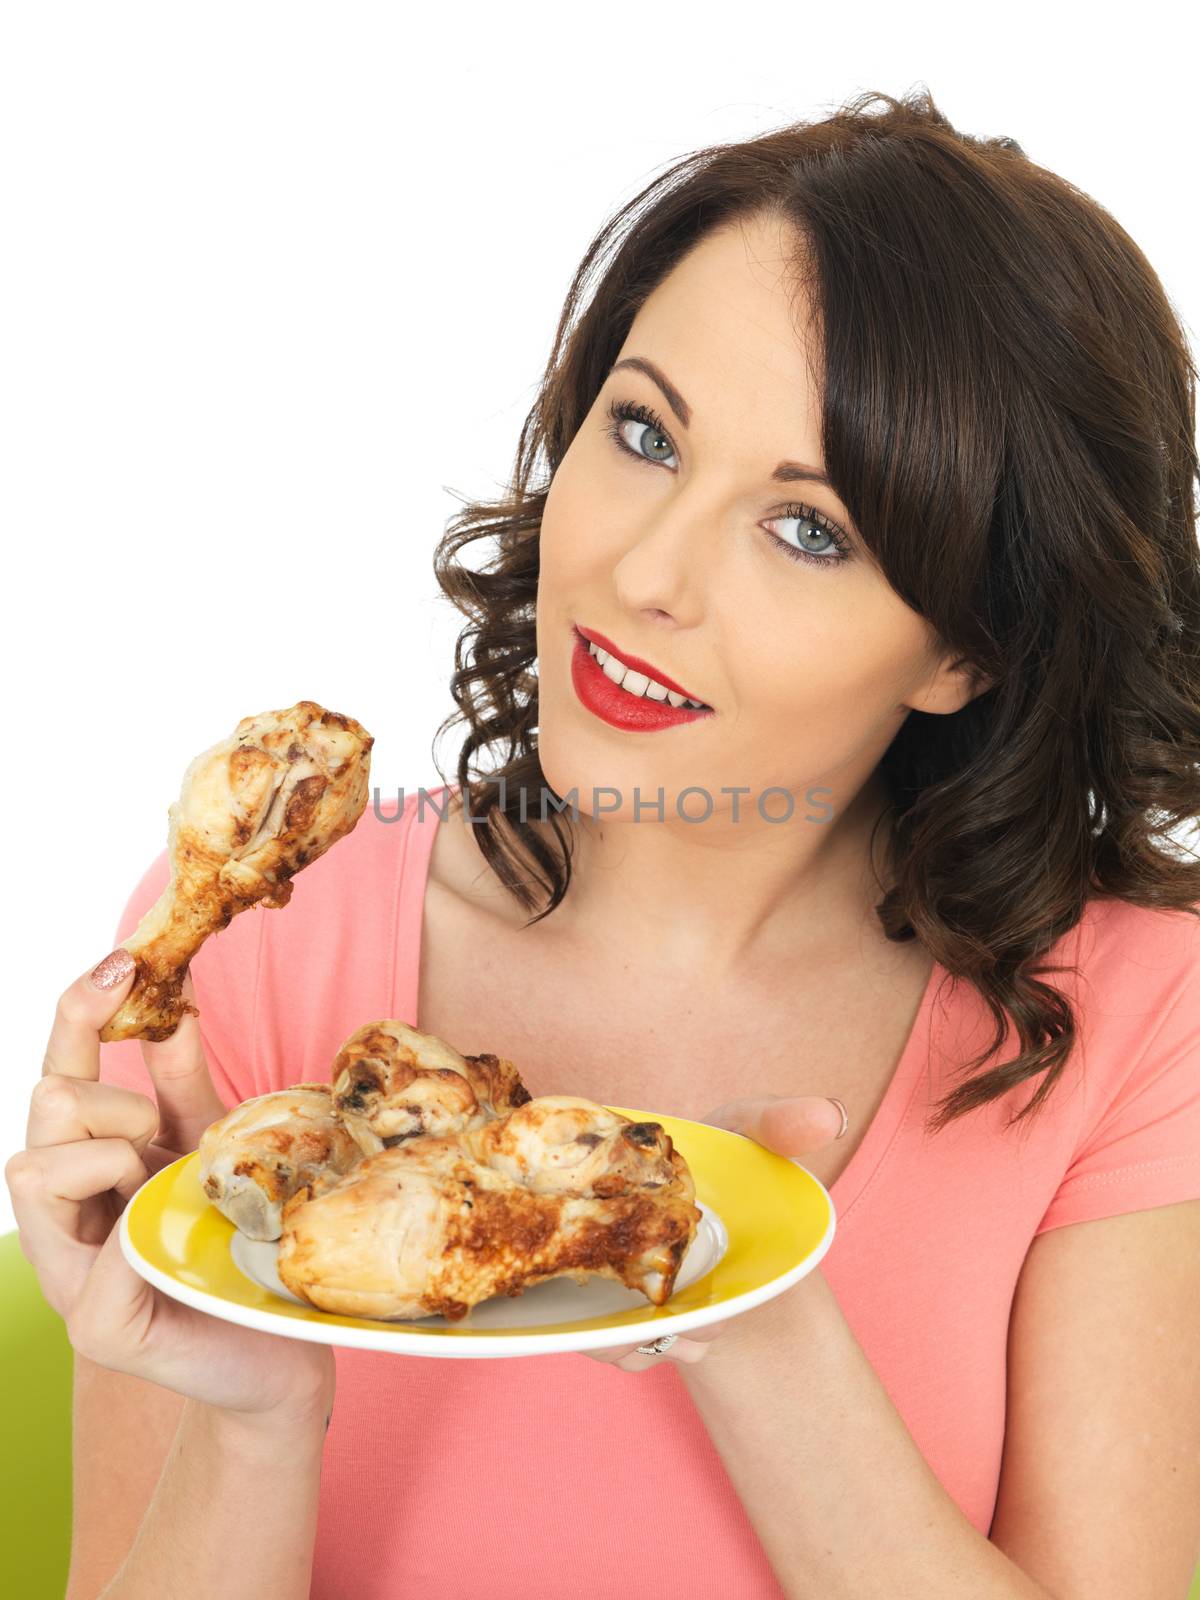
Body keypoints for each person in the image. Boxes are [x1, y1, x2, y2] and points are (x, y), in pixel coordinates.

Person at [10, 86, 1200, 1600]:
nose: (642, 570)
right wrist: (253, 1416)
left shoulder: (1133, 1013)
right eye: (643, 433)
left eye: (808, 528)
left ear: (967, 648)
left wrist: (751, 1308)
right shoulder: (257, 938)